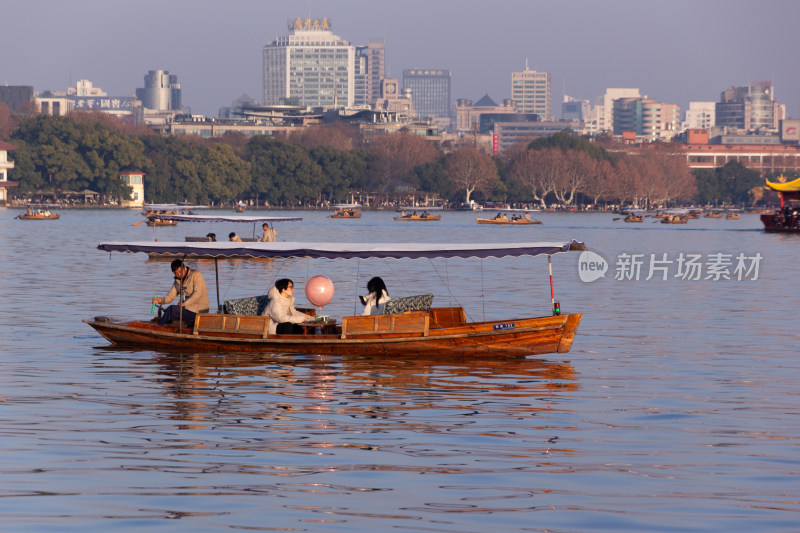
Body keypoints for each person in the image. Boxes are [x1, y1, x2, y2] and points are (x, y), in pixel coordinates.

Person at [153, 259, 209, 327]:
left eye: (180, 271)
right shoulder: (177, 281)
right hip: (186, 310)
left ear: (184, 267)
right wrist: (161, 300)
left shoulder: (196, 275)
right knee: (170, 311)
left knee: (171, 309)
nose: (179, 274)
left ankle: (159, 327)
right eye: (176, 273)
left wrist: (184, 304)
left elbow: (197, 294)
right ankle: (162, 326)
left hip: (198, 312)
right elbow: (171, 296)